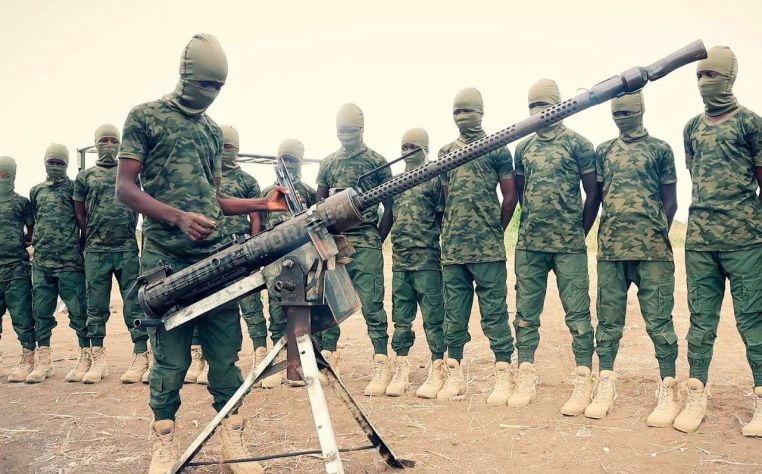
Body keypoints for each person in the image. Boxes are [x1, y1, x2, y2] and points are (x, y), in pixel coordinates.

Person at [115, 33, 287, 474]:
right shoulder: (145, 117)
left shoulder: (211, 131)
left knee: (224, 354)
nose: (210, 93)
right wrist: (177, 218)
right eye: (205, 84)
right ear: (186, 75)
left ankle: (232, 439)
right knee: (170, 360)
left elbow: (214, 200)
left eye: (218, 87)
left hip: (213, 262)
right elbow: (125, 190)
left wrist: (262, 204)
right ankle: (164, 440)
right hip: (165, 261)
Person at [674, 46, 762, 436]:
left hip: (745, 243)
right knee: (700, 323)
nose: (704, 82)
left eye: (712, 75)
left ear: (729, 77)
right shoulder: (691, 128)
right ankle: (696, 394)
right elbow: (695, 174)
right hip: (700, 242)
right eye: (699, 75)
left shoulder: (751, 124)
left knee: (753, 321)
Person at [511, 79, 599, 413]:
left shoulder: (579, 144)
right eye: (533, 106)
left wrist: (578, 231)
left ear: (559, 106)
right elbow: (522, 194)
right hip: (530, 246)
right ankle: (525, 373)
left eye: (544, 105)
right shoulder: (523, 148)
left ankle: (583, 378)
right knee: (525, 315)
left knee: (578, 315)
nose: (539, 112)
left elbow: (593, 194)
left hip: (569, 247)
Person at [592, 91, 680, 424]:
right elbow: (598, 198)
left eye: (627, 112)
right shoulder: (604, 151)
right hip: (611, 252)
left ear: (641, 110)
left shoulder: (660, 149)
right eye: (617, 112)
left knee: (659, 322)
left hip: (652, 253)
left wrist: (653, 233)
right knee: (608, 322)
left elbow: (670, 202)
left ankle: (668, 387)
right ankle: (605, 383)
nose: (622, 117)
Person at [436, 87, 518, 404]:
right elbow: (447, 198)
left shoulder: (497, 147)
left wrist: (495, 230)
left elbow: (509, 196)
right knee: (453, 316)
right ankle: (454, 375)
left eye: (467, 110)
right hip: (453, 251)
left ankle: (503, 374)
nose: (462, 117)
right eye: (457, 111)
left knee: (495, 314)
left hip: (488, 251)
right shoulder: (445, 152)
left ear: (481, 112)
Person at [315, 103, 394, 396]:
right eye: (341, 130)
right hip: (335, 245)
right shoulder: (328, 163)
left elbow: (390, 208)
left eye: (351, 130)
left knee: (373, 305)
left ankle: (381, 362)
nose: (346, 135)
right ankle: (329, 360)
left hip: (366, 245)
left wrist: (375, 239)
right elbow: (318, 206)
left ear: (362, 129)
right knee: (330, 304)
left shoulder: (377, 162)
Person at [184, 125, 267, 387]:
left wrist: (254, 251)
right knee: (204, 305)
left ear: (238, 150)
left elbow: (256, 218)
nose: (226, 152)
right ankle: (200, 359)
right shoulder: (205, 180)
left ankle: (260, 354)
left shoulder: (247, 181)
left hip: (240, 252)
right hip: (210, 252)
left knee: (251, 305)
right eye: (222, 147)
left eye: (230, 147)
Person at [73, 124, 149, 384]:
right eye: (103, 140)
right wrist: (93, 236)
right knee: (95, 306)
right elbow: (80, 214)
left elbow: (136, 209)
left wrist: (125, 232)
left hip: (126, 249)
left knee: (134, 303)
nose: (108, 144)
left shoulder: (129, 175)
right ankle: (98, 358)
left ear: (119, 144)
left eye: (113, 140)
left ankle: (141, 355)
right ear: (96, 144)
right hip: (96, 251)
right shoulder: (84, 177)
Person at [386, 128, 446, 398]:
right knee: (401, 319)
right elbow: (389, 216)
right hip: (400, 261)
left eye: (414, 147)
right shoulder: (395, 183)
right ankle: (401, 367)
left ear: (425, 149)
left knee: (434, 319)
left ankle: (438, 366)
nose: (408, 152)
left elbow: (442, 218)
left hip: (427, 261)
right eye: (404, 147)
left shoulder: (435, 179)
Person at [258, 138, 316, 388]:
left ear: (300, 161)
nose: (287, 164)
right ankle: (278, 362)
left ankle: (304, 364)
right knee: (276, 311)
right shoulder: (267, 194)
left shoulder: (309, 192)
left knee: (304, 310)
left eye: (292, 159)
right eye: (282, 159)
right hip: (275, 261)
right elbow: (259, 227)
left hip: (302, 261)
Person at [28, 143, 88, 384]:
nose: (55, 167)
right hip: (42, 263)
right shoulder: (36, 191)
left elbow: (83, 220)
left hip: (70, 263)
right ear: (45, 163)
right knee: (41, 313)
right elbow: (34, 222)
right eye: (51, 162)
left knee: (79, 313)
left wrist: (79, 248)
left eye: (60, 163)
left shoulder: (74, 189)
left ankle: (85, 357)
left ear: (67, 165)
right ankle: (44, 361)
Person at [0, 156, 37, 382]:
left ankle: (28, 358)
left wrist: (21, 241)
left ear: (13, 177)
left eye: (6, 175)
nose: (2, 179)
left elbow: (31, 231)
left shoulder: (22, 203)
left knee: (22, 316)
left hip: (16, 268)